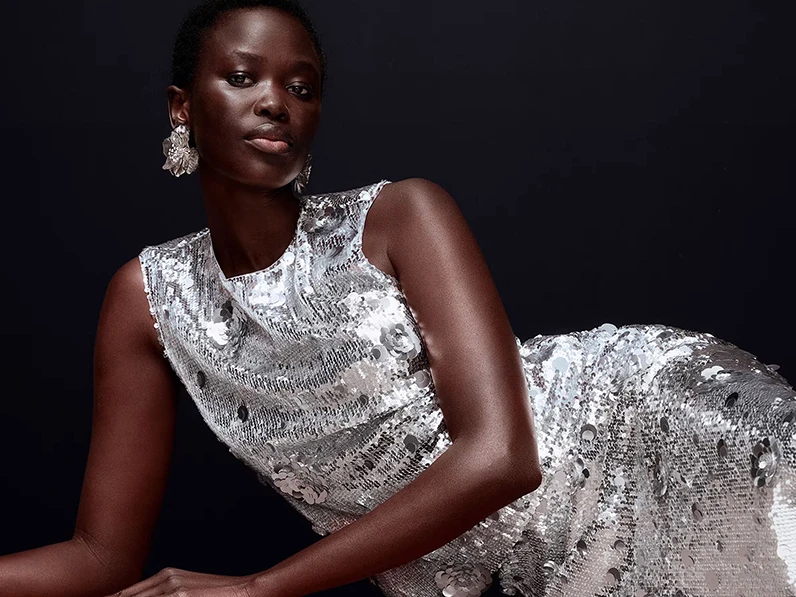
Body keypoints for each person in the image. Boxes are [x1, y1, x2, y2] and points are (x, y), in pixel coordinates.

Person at [1, 1, 794, 596]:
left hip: (644, 438)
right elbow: (101, 555)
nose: (276, 100)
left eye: (301, 85)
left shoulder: (400, 215)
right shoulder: (145, 299)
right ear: (183, 107)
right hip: (508, 567)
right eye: (243, 76)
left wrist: (257, 589)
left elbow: (503, 457)